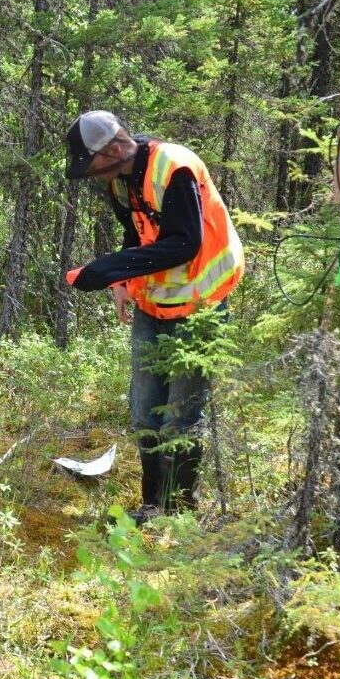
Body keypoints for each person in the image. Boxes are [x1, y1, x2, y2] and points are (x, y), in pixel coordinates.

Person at [63, 111, 244, 524]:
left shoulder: (175, 167)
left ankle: (177, 512)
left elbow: (184, 242)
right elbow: (136, 233)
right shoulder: (119, 180)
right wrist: (122, 283)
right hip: (153, 303)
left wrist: (108, 267)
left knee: (181, 416)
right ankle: (152, 506)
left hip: (200, 306)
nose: (90, 176)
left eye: (89, 165)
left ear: (111, 150)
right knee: (146, 411)